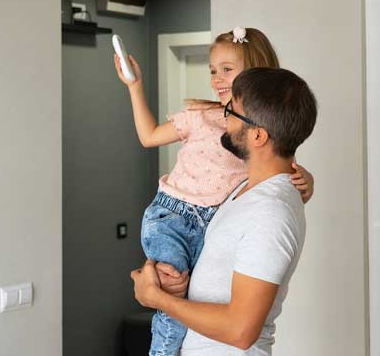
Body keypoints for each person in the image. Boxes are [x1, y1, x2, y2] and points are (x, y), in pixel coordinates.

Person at [114, 27, 315, 356]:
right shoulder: (241, 191)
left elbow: (240, 331)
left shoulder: (270, 211)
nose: (225, 119)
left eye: (233, 113)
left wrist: (156, 297)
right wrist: (170, 282)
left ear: (259, 136)